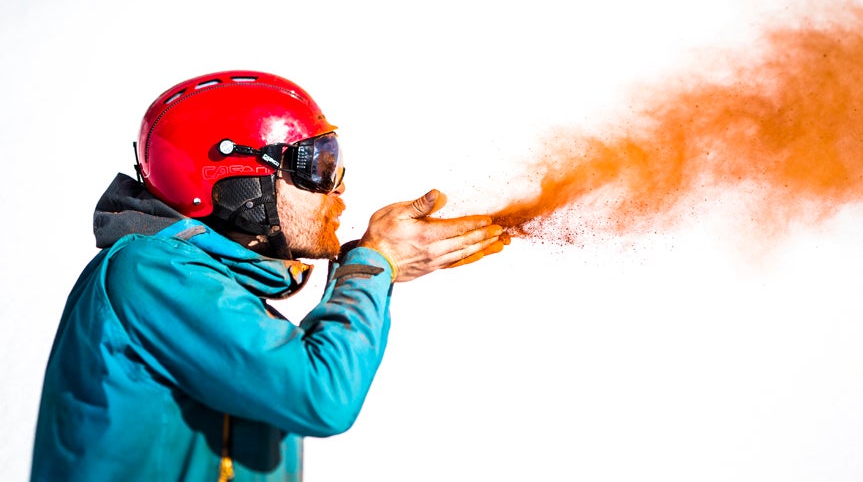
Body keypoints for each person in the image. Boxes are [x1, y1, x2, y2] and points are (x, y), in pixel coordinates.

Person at [30, 70, 506, 481]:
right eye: (316, 165)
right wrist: (370, 266)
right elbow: (320, 393)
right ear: (236, 177)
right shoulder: (150, 272)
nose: (338, 187)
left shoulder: (208, 284)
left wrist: (371, 263)